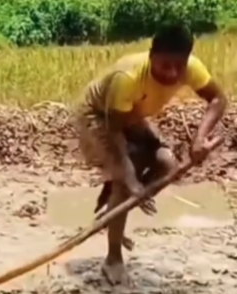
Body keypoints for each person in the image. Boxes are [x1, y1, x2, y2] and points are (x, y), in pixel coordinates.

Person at [75, 23, 227, 285]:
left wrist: (199, 138)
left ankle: (116, 210)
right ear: (151, 55)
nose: (172, 73)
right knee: (126, 181)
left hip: (130, 112)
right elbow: (115, 133)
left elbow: (218, 99)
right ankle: (113, 257)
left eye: (179, 66)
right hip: (99, 116)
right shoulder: (128, 77)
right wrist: (130, 179)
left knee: (166, 164)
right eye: (165, 65)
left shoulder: (190, 67)